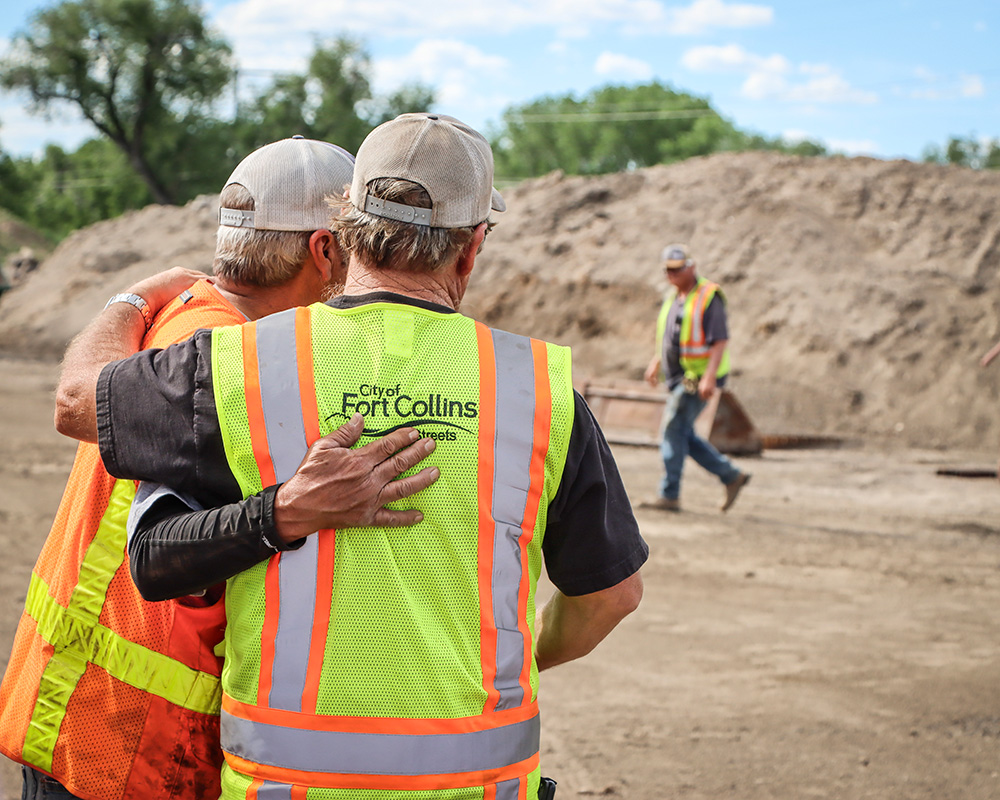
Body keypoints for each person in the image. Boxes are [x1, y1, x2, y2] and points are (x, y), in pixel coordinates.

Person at [64, 113, 647, 799]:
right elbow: (612, 596)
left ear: (345, 228)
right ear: (472, 246)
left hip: (287, 786)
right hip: (478, 784)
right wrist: (525, 661)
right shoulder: (537, 389)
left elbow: (82, 406)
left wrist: (136, 296)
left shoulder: (236, 366)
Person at [0, 136, 438, 800]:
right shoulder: (230, 358)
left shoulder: (182, 315)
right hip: (121, 736)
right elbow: (75, 405)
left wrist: (131, 297)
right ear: (324, 252)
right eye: (359, 247)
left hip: (79, 707)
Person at [643, 243, 750, 512]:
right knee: (683, 435)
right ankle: (731, 476)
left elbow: (719, 340)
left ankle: (669, 494)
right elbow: (670, 337)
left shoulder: (708, 296)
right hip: (679, 376)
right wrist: (657, 362)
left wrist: (709, 377)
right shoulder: (674, 297)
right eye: (668, 270)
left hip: (696, 378)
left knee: (672, 429)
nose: (671, 275)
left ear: (691, 267)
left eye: (677, 270)